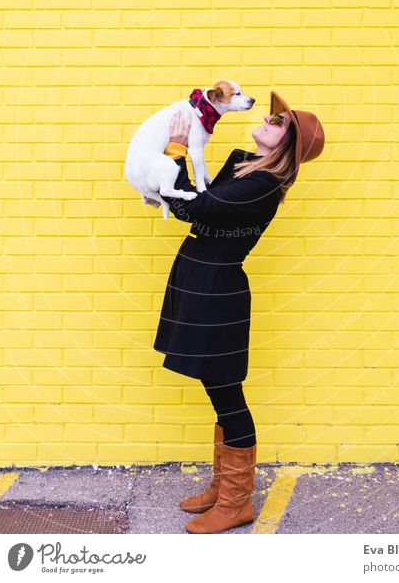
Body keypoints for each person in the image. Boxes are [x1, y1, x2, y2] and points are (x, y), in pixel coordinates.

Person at [153, 90, 325, 534]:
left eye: (279, 122)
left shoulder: (265, 184)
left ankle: (236, 502)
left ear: (289, 145)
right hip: (198, 275)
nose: (268, 120)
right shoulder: (241, 164)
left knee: (228, 394)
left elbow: (196, 208)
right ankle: (222, 488)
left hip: (218, 287)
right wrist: (186, 182)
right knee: (218, 390)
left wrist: (174, 153)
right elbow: (198, 205)